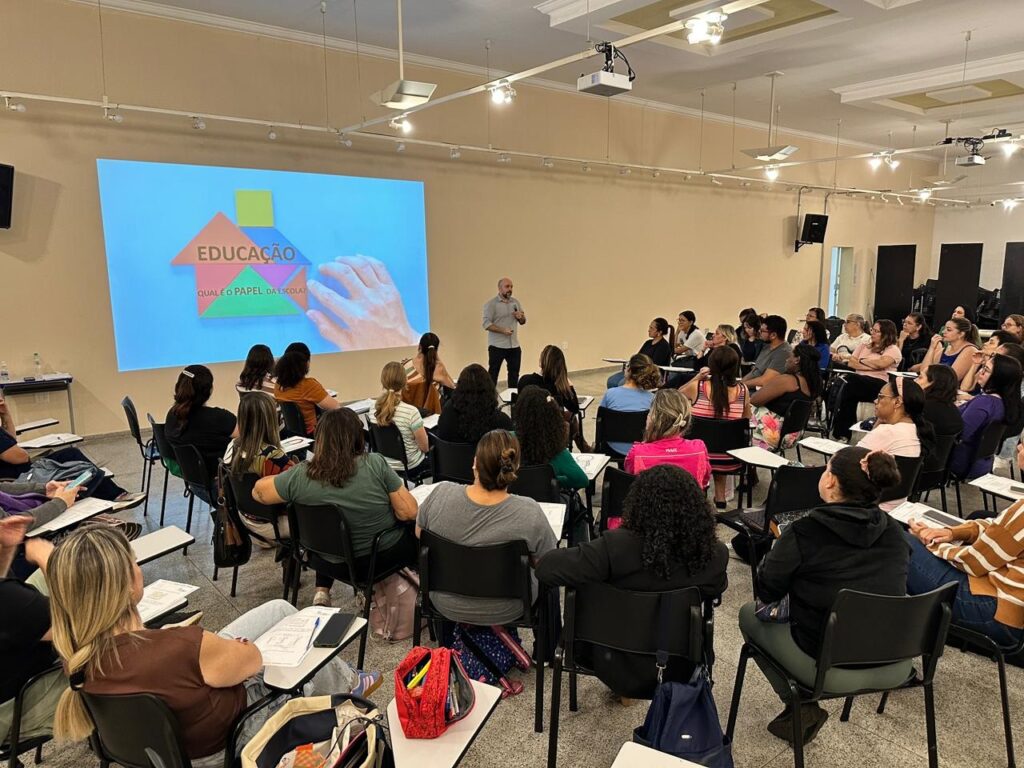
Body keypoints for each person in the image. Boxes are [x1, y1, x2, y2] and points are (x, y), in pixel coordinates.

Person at [46, 526, 376, 765]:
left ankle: (348, 677)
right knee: (300, 651)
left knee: (279, 610)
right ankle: (350, 687)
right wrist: (211, 646)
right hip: (233, 737)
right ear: (125, 583)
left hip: (174, 747)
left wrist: (185, 640)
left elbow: (161, 662)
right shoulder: (180, 646)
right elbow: (253, 659)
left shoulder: (77, 659)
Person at [739, 447, 908, 744]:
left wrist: (778, 554)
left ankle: (800, 704)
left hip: (827, 661)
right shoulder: (896, 533)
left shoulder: (805, 531)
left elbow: (767, 590)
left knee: (747, 615)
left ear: (830, 480)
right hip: (893, 658)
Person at [536, 465, 728, 699]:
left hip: (609, 660)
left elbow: (546, 569)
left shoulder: (614, 547)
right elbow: (716, 589)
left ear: (638, 504)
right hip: (682, 665)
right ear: (697, 509)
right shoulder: (714, 555)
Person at [254, 408, 419, 607]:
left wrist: (286, 477)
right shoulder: (375, 463)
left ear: (320, 439)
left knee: (331, 528)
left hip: (324, 561)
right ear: (357, 437)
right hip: (377, 559)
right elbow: (409, 512)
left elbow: (258, 492)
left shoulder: (300, 475)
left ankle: (322, 591)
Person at [415, 430, 557, 629]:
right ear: (515, 467)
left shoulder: (440, 494)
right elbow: (547, 563)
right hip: (508, 607)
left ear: (475, 463)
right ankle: (548, 646)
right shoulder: (530, 512)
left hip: (444, 602)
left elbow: (420, 534)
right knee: (549, 586)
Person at [904, 440, 1024, 648]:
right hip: (1010, 608)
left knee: (900, 543)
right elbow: (999, 526)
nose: (1018, 448)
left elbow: (974, 562)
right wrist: (952, 533)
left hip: (997, 614)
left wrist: (930, 540)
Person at [0, 395, 143, 508]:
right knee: (75, 461)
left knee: (71, 455)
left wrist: (5, 414)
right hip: (19, 477)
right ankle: (113, 496)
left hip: (21, 470)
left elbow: (11, 441)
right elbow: (22, 457)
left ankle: (112, 495)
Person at [0, 515, 63, 746]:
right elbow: (79, 626)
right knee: (103, 657)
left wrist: (6, 548)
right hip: (12, 710)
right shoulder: (9, 600)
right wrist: (48, 560)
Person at [682, 347, 749, 507]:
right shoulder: (743, 391)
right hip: (729, 459)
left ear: (711, 365)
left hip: (697, 457)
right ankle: (720, 498)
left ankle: (699, 494)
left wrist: (697, 377)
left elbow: (675, 396)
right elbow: (746, 420)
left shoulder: (697, 387)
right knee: (722, 440)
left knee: (709, 441)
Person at [226, 394, 296, 542]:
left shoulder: (233, 446)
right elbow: (295, 488)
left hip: (246, 517)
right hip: (272, 524)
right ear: (270, 419)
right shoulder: (272, 455)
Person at [858, 377, 933, 511]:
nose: (875, 401)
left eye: (880, 397)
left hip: (867, 506)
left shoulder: (887, 432)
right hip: (895, 506)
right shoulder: (916, 430)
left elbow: (847, 461)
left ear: (897, 402)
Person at [623, 387, 710, 496]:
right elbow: (703, 483)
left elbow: (631, 487)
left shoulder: (637, 453)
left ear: (653, 418)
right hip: (690, 506)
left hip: (649, 506)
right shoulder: (699, 449)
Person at [950, 354, 1022, 480]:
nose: (980, 372)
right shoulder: (1006, 403)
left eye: (986, 370)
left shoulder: (984, 403)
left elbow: (959, 434)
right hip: (982, 463)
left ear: (999, 378)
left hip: (961, 462)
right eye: (983, 367)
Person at [830, 320, 902, 440]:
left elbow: (881, 364)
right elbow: (852, 363)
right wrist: (872, 365)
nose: (872, 333)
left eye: (876, 331)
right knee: (848, 389)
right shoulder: (864, 345)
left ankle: (841, 432)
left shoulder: (892, 349)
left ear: (886, 334)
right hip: (857, 383)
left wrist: (861, 361)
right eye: (872, 330)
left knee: (847, 383)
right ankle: (843, 433)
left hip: (879, 385)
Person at [165, 365, 237, 482]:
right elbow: (247, 435)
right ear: (209, 390)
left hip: (192, 480)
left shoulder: (172, 416)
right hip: (222, 483)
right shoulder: (219, 418)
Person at [512, 386, 587, 491]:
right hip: (548, 498)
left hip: (513, 497)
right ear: (554, 416)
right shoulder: (557, 452)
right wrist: (554, 480)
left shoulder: (507, 440)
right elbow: (582, 480)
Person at [749, 346, 822, 452]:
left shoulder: (787, 380)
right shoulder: (813, 384)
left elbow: (755, 400)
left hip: (772, 434)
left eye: (790, 356)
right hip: (793, 435)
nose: (787, 360)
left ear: (797, 360)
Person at [518, 345, 589, 452]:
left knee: (571, 419)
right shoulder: (559, 387)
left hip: (527, 428)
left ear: (541, 361)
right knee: (572, 418)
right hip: (552, 432)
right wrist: (569, 385)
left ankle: (585, 448)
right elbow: (574, 408)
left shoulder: (524, 381)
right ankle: (585, 449)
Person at [369, 362, 430, 481]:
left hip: (385, 465)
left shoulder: (373, 408)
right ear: (405, 381)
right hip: (411, 466)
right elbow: (425, 448)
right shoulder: (411, 412)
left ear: (382, 382)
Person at [434, 364, 513, 444]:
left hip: (451, 452)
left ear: (459, 388)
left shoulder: (448, 412)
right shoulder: (502, 423)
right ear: (490, 389)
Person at [599, 354, 660, 456]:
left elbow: (601, 421)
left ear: (628, 370)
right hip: (641, 448)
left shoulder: (610, 393)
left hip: (612, 447)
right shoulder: (653, 399)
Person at [273, 349, 340, 436]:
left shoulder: (278, 386)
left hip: (291, 433)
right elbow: (336, 407)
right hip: (313, 432)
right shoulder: (308, 385)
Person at [483, 277, 526, 387]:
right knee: (493, 375)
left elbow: (523, 321)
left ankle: (513, 396)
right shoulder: (491, 304)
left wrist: (521, 317)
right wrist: (502, 330)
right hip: (497, 346)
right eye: (507, 287)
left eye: (511, 287)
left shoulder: (515, 303)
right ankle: (490, 397)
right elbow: (486, 324)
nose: (510, 289)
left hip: (514, 345)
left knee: (514, 375)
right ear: (499, 288)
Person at [607, 318, 673, 388]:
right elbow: (638, 357)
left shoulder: (664, 346)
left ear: (659, 332)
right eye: (649, 327)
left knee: (622, 384)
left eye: (651, 328)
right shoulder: (648, 343)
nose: (649, 330)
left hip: (648, 375)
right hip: (637, 371)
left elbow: (654, 365)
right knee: (611, 381)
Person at [403, 332, 454, 416]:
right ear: (436, 350)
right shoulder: (438, 368)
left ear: (419, 347)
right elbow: (453, 390)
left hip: (408, 413)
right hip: (432, 414)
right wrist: (439, 361)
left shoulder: (405, 365)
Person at [920, 317, 978, 385]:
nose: (943, 332)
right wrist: (932, 348)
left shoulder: (970, 350)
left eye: (949, 330)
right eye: (944, 329)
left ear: (961, 334)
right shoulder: (945, 350)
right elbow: (923, 372)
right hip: (938, 386)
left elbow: (952, 379)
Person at [743, 315, 792, 389]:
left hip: (760, 391)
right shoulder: (767, 346)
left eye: (762, 331)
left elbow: (764, 381)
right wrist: (739, 384)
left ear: (773, 335)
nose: (759, 332)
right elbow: (755, 371)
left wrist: (740, 386)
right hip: (749, 387)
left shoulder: (783, 353)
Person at [918, 365, 964, 438]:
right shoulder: (954, 411)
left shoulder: (919, 408)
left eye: (920, 377)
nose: (915, 380)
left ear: (932, 383)